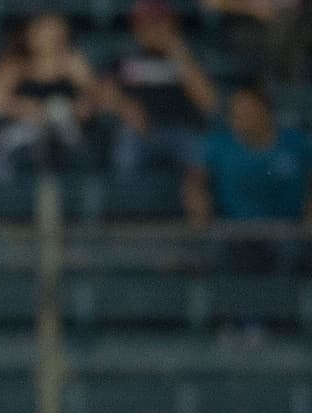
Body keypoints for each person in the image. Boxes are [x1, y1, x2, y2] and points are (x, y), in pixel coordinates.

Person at [183, 84, 310, 270]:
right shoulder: (219, 144)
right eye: (236, 112)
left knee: (293, 254)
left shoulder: (296, 142)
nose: (240, 117)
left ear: (264, 110)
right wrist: (198, 206)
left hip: (288, 229)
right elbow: (194, 182)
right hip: (235, 230)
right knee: (214, 250)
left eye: (247, 110)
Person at [0, 12, 98, 181]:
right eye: (44, 31)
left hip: (67, 136)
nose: (50, 37)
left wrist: (78, 106)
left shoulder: (74, 62)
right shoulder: (16, 64)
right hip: (25, 137)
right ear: (29, 34)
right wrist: (21, 107)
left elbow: (95, 97)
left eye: (55, 31)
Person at [103, 0, 217, 179]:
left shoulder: (190, 55)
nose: (152, 28)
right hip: (141, 132)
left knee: (200, 153)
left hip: (182, 129)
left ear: (172, 23)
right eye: (145, 22)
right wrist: (124, 106)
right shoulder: (124, 56)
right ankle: (131, 206)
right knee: (125, 153)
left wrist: (178, 53)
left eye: (159, 21)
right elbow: (105, 94)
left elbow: (208, 101)